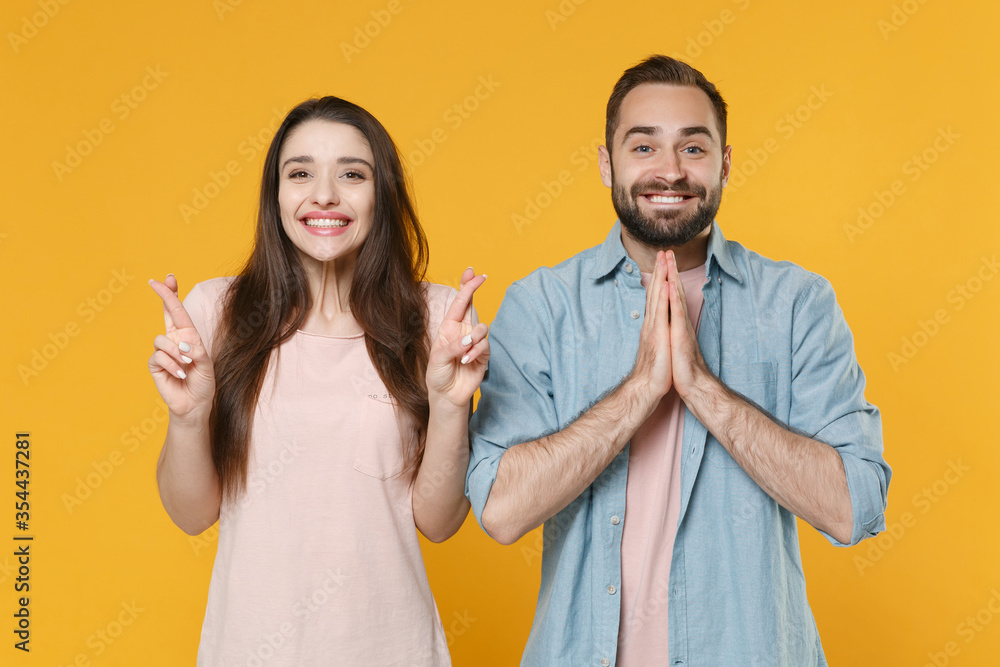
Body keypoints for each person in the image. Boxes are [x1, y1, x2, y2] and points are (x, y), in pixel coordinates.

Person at [466, 55, 890, 666]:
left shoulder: (797, 304)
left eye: (693, 148)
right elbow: (501, 510)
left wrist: (702, 388)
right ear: (608, 164)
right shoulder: (543, 307)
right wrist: (640, 390)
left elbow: (855, 507)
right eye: (644, 147)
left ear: (724, 163)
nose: (669, 171)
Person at [148, 96, 488, 666]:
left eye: (351, 174)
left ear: (382, 194)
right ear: (275, 195)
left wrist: (452, 406)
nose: (324, 194)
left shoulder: (437, 317)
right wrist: (187, 417)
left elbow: (439, 522)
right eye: (300, 173)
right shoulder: (217, 313)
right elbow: (191, 514)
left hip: (392, 648)